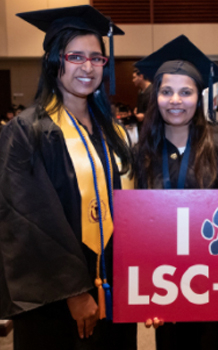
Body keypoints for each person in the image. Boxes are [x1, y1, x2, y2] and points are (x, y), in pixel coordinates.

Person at [0, 5, 136, 350]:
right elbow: (26, 219)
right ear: (53, 61)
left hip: (115, 286)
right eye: (75, 56)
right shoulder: (27, 131)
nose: (88, 67)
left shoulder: (114, 132)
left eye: (96, 58)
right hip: (56, 298)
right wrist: (74, 292)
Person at [133, 34, 218, 350]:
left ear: (199, 97)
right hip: (173, 287)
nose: (175, 100)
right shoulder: (144, 153)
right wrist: (147, 292)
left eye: (185, 92)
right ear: (155, 97)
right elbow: (139, 228)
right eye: (166, 91)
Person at [132, 65, 152, 134]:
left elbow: (158, 111)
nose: (133, 80)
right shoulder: (140, 91)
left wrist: (145, 116)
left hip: (151, 129)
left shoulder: (153, 91)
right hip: (141, 128)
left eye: (134, 77)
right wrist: (137, 109)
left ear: (141, 77)